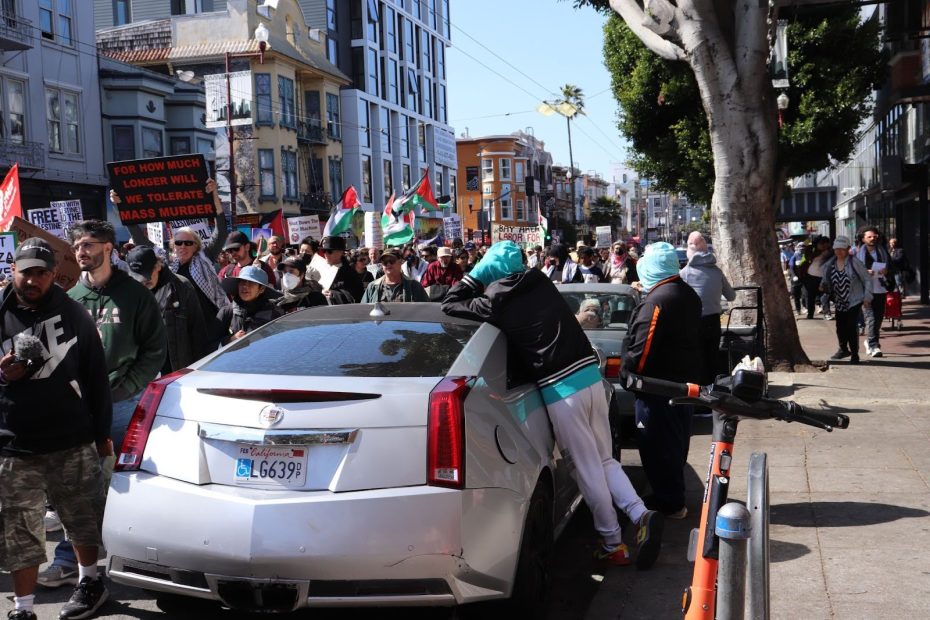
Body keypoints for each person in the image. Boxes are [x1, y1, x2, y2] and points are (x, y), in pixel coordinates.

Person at [442, 241, 663, 569]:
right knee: (603, 460)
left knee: (587, 469)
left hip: (562, 389)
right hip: (590, 375)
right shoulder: (541, 281)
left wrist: (477, 275)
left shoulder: (495, 300)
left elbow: (449, 304)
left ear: (491, 270)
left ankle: (613, 542)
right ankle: (640, 513)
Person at [42, 221, 166, 590]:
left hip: (121, 405)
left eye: (88, 244)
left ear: (109, 248)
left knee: (119, 485)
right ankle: (72, 560)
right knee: (77, 484)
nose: (80, 250)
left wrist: (124, 388)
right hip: (77, 407)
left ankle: (124, 557)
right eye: (76, 244)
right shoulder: (69, 297)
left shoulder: (135, 295)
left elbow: (154, 351)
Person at [0, 240, 113, 620]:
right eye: (26, 271)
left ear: (53, 275)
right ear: (13, 270)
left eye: (41, 273)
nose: (32, 280)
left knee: (82, 517)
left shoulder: (75, 314)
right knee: (20, 530)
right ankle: (23, 608)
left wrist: (102, 435)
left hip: (71, 438)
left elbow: (97, 378)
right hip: (14, 445)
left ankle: (90, 582)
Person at [622, 242, 702, 520]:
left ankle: (669, 501)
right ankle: (672, 495)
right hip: (683, 383)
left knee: (658, 445)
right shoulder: (687, 293)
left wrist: (630, 374)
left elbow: (641, 351)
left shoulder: (658, 300)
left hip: (658, 388)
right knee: (676, 443)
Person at [118, 180, 228, 347]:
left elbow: (221, 231)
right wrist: (121, 206)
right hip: (179, 332)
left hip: (209, 329)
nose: (183, 246)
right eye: (178, 243)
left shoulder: (205, 257)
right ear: (172, 246)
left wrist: (214, 196)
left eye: (188, 243)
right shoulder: (166, 262)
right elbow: (140, 238)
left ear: (196, 245)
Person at [126, 246, 208, 373]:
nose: (143, 284)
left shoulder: (182, 287)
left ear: (158, 266)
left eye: (147, 279)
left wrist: (199, 372)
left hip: (177, 368)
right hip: (144, 370)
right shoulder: (129, 291)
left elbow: (198, 333)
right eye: (137, 279)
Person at [679, 232, 736, 389]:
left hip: (693, 322)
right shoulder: (717, 272)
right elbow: (731, 296)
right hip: (713, 322)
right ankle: (714, 394)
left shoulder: (684, 273)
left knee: (696, 360)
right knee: (712, 358)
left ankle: (698, 396)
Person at [821, 236, 872, 364]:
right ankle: (843, 349)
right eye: (836, 249)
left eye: (842, 249)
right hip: (839, 300)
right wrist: (823, 285)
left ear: (848, 249)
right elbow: (825, 279)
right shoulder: (830, 264)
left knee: (851, 326)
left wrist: (867, 297)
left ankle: (855, 354)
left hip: (854, 300)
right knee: (840, 327)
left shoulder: (855, 262)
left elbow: (867, 279)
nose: (839, 251)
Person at [217, 266, 283, 344]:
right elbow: (209, 348)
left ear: (261, 289)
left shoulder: (275, 314)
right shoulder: (226, 312)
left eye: (251, 283)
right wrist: (230, 340)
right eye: (242, 281)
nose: (245, 286)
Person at [854, 227, 891, 357]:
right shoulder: (857, 254)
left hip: (880, 289)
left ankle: (870, 342)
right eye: (869, 237)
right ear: (863, 239)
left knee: (879, 319)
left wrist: (886, 271)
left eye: (874, 236)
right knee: (871, 318)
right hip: (865, 291)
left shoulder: (883, 252)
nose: (872, 239)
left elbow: (891, 268)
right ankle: (874, 346)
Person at [361, 248, 430, 303]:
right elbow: (363, 312)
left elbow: (426, 311)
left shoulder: (414, 286)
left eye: (392, 261)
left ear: (400, 262)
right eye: (385, 262)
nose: (388, 264)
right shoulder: (372, 287)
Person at [309, 236, 363, 303]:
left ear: (340, 252)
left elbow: (356, 296)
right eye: (324, 251)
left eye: (329, 251)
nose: (325, 254)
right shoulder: (319, 268)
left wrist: (333, 294)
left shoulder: (350, 273)